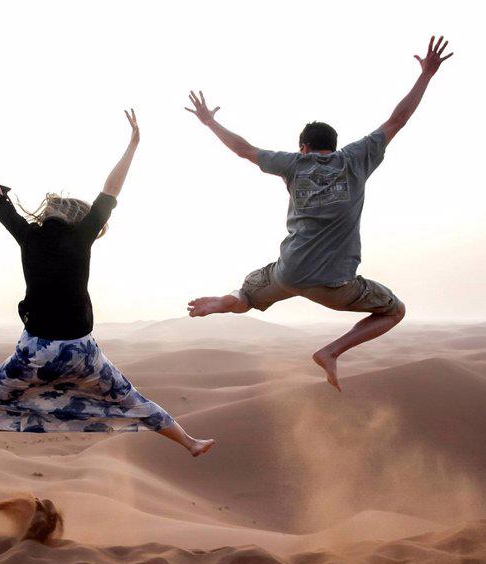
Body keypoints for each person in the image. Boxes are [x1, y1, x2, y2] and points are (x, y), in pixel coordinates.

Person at [0, 111, 215, 488]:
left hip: (36, 351)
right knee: (131, 399)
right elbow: (111, 190)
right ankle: (190, 442)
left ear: (48, 214)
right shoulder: (83, 236)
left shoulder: (27, 235)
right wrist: (132, 146)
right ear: (76, 218)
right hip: (82, 351)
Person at [185, 36, 453, 391]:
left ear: (304, 147)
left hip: (288, 273)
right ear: (335, 145)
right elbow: (397, 120)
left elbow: (244, 150)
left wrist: (209, 122)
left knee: (247, 296)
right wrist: (427, 75)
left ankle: (227, 300)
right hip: (335, 284)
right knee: (394, 311)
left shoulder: (294, 164)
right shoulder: (356, 158)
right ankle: (331, 351)